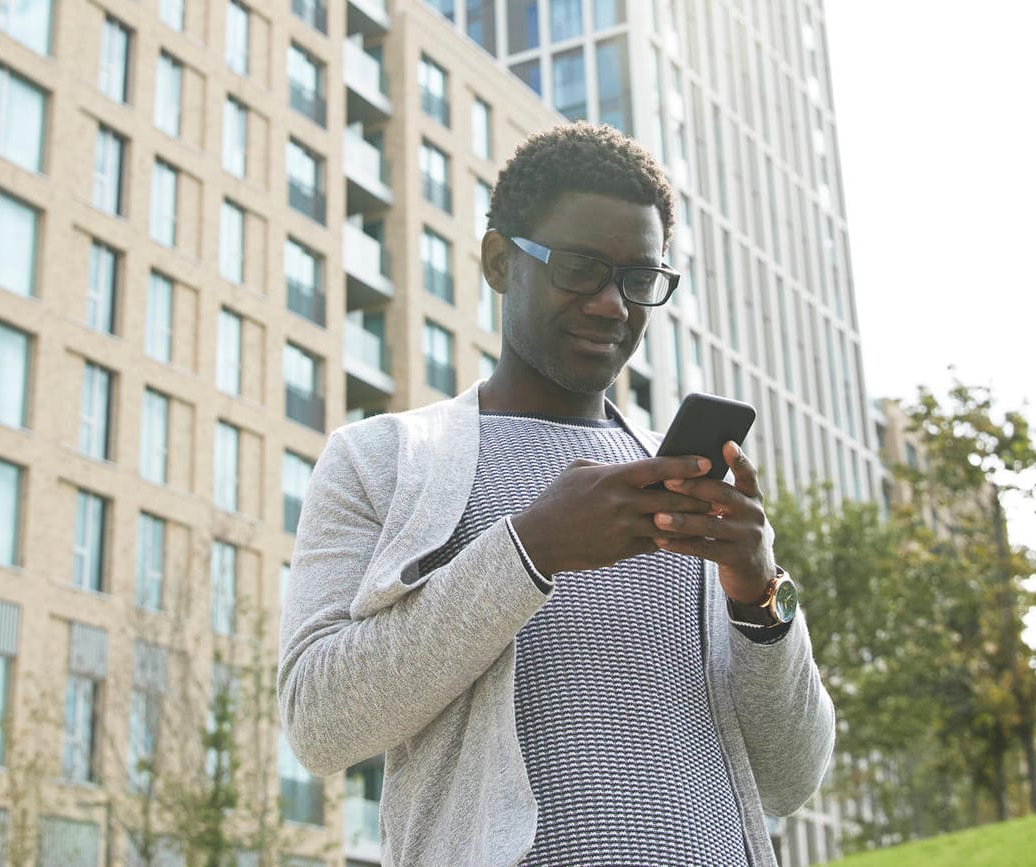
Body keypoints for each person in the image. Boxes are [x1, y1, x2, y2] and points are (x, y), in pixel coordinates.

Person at [278, 122, 834, 866]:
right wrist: (529, 549)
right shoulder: (381, 460)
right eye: (580, 268)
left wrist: (760, 598)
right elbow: (319, 722)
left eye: (639, 279)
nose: (612, 304)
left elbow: (790, 779)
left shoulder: (682, 481)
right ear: (500, 261)